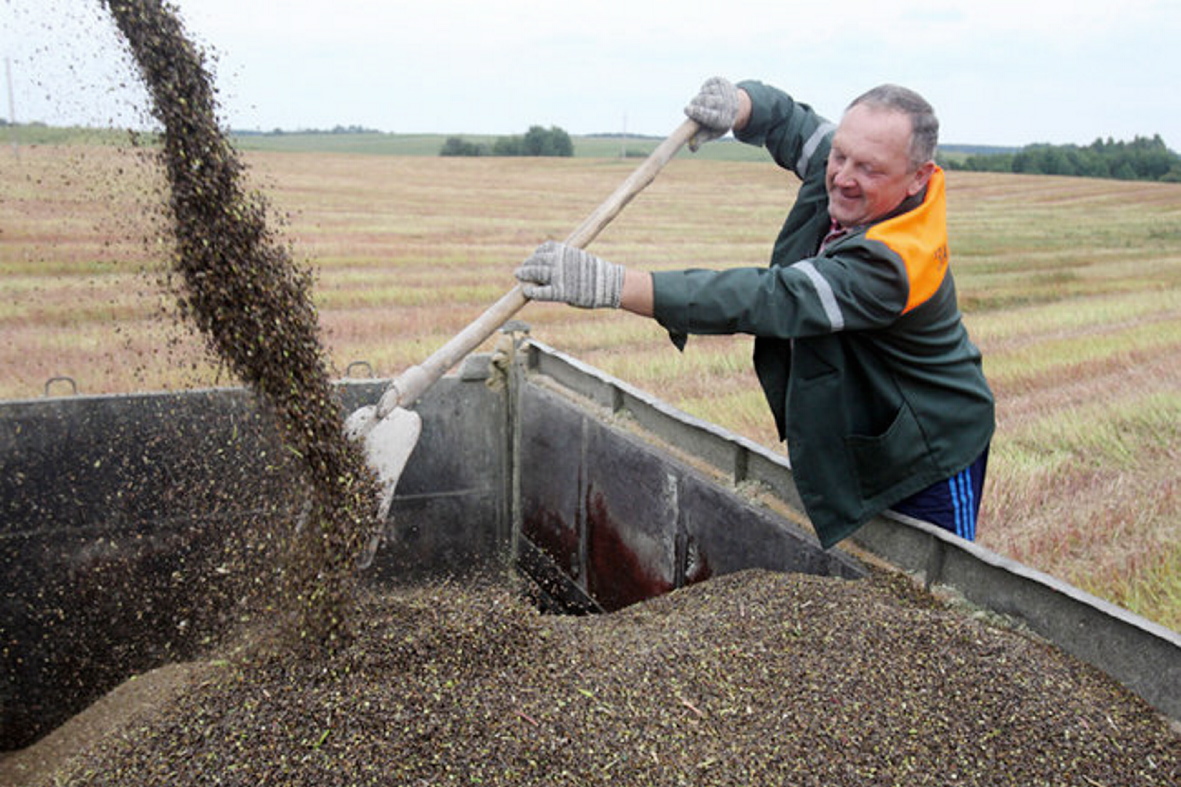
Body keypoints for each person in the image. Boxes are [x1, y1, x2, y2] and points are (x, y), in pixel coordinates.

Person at [514, 77, 995, 549]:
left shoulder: (895, 263)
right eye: (841, 156)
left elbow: (766, 298)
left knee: (931, 592)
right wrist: (739, 104)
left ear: (918, 178)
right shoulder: (850, 168)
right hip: (869, 420)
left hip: (931, 444)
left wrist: (617, 286)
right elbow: (788, 120)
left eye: (869, 169)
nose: (844, 176)